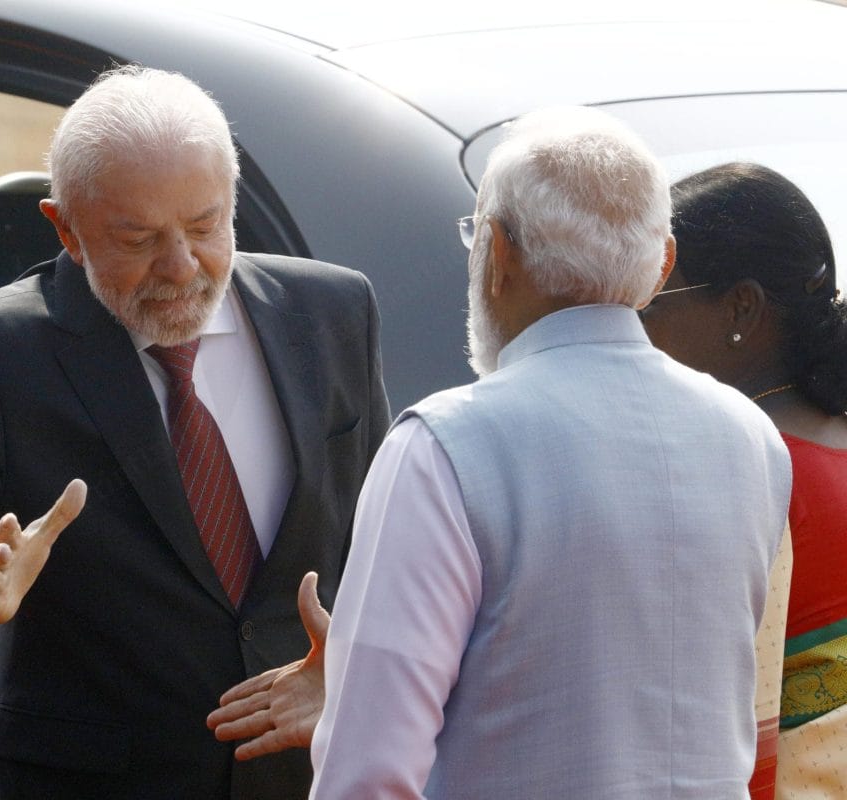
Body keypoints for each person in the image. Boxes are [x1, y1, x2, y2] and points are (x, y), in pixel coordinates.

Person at [0, 64, 389, 799]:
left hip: (306, 774)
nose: (181, 267)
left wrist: (355, 665)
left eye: (205, 225)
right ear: (68, 229)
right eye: (138, 237)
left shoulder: (334, 312)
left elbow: (395, 537)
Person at [298, 106, 791, 797]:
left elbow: (368, 775)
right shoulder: (750, 437)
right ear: (660, 268)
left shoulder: (448, 445)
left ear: (496, 254)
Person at [640, 162, 847, 799]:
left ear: (741, 308)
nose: (628, 329)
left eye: (648, 301)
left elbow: (739, 745)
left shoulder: (749, 478)